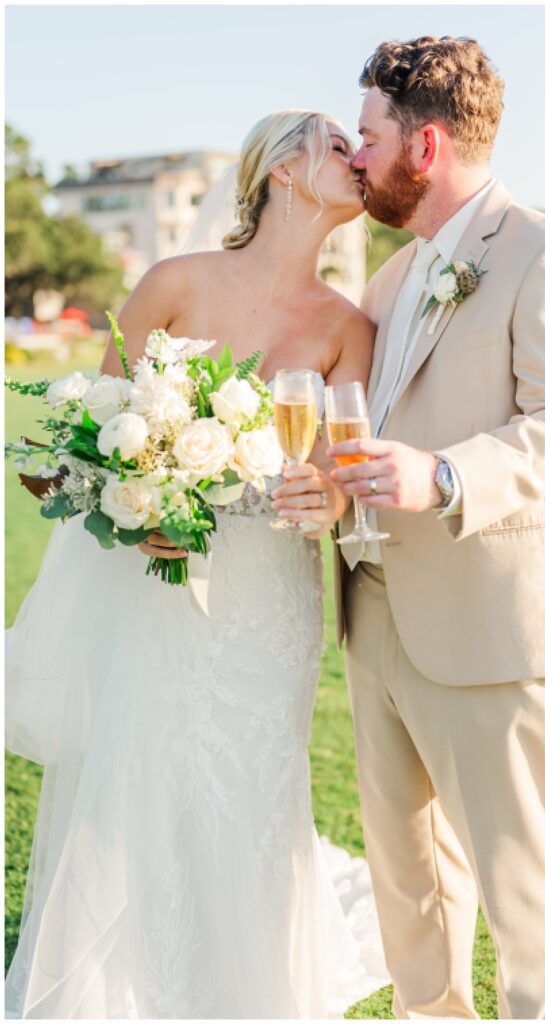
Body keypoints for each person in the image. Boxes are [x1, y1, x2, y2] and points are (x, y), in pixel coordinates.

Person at [5, 110, 389, 1019]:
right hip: (161, 583)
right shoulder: (173, 283)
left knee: (253, 777)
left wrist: (330, 499)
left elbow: (347, 473)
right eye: (341, 145)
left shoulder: (349, 325)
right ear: (283, 169)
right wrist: (133, 514)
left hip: (271, 595)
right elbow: (88, 442)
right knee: (142, 765)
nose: (360, 159)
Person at [290, 35, 545, 1019]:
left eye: (371, 135)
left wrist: (442, 474)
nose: (357, 155)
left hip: (491, 619)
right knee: (410, 885)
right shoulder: (388, 285)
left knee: (523, 888)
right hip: (377, 614)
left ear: (423, 149)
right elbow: (368, 433)